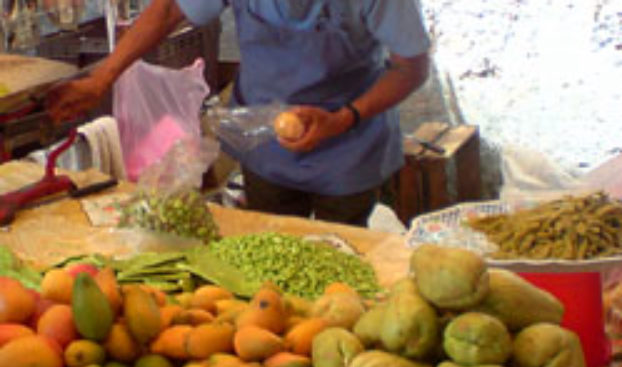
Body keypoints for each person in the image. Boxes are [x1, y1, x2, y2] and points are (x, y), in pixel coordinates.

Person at [47, 0, 431, 227]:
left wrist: (344, 118)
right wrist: (102, 79)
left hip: (349, 143)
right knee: (271, 244)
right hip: (264, 141)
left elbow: (411, 68)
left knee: (345, 262)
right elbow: (167, 12)